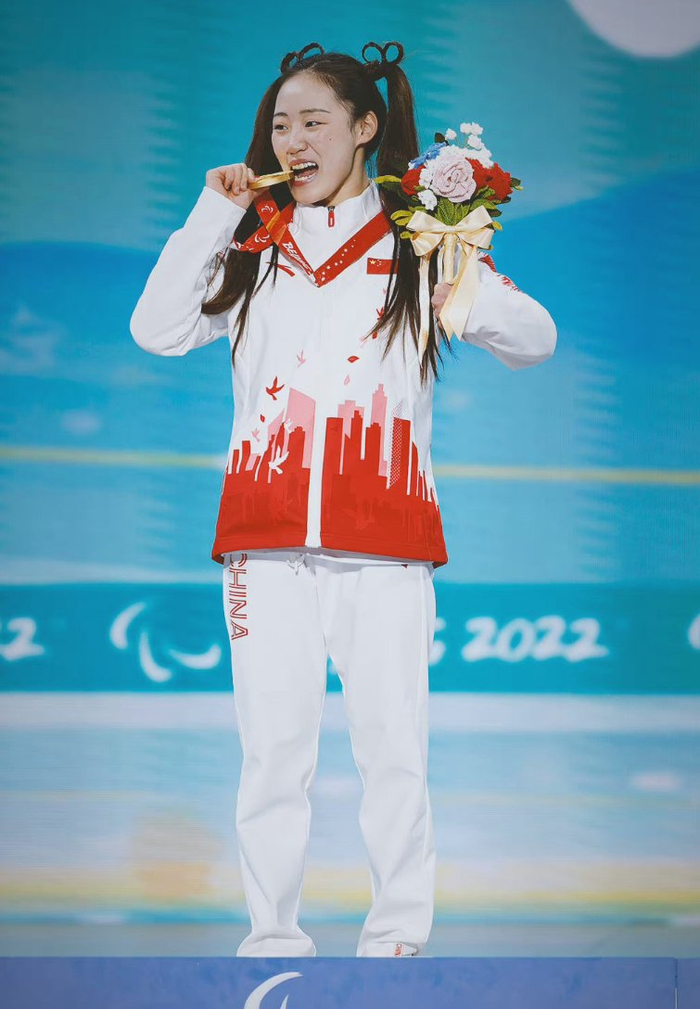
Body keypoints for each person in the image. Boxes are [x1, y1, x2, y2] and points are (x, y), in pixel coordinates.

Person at [129, 40, 557, 958]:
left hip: (387, 541)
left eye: (314, 121)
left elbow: (536, 340)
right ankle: (272, 937)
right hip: (263, 542)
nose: (293, 140)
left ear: (365, 127)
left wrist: (457, 268)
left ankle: (396, 937)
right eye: (281, 124)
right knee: (272, 756)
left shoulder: (417, 244)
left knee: (393, 752)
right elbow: (156, 329)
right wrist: (213, 212)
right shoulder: (254, 246)